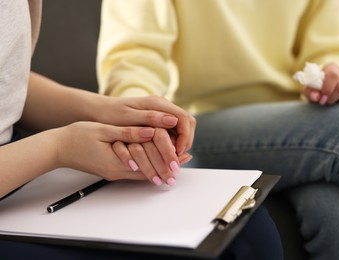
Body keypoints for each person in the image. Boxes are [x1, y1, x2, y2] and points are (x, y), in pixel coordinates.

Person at [97, 0, 339, 259]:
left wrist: (338, 77)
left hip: (300, 127)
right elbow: (134, 58)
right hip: (195, 127)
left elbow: (337, 51)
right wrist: (145, 117)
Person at [0, 1, 283, 259]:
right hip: (20, 166)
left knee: (247, 229)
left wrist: (105, 109)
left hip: (23, 163)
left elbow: (8, 79)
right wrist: (58, 147)